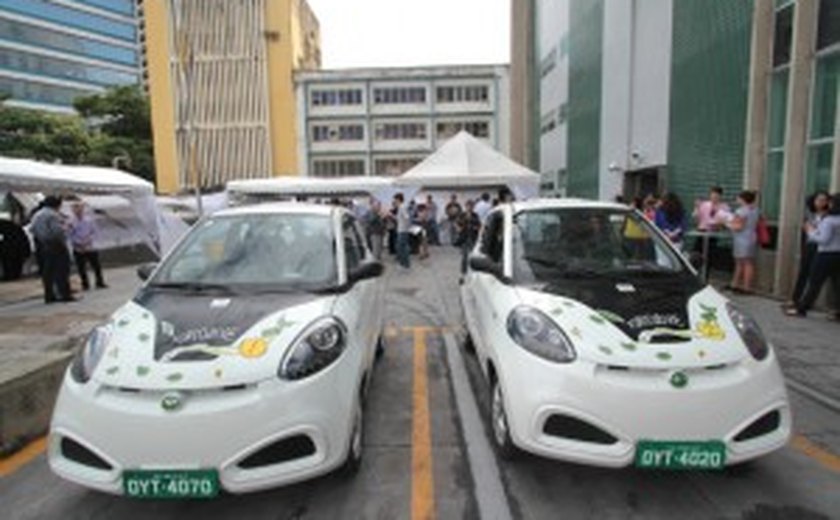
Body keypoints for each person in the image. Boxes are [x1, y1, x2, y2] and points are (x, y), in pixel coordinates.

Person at [786, 193, 840, 319]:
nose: (828, 204)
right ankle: (838, 311)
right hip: (838, 254)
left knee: (815, 283)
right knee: (837, 284)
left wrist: (811, 231)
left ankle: (802, 308)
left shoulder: (829, 220)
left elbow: (823, 239)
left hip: (825, 254)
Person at [29, 195, 74, 303]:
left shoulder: (37, 214)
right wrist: (66, 228)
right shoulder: (53, 215)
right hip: (55, 244)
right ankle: (65, 294)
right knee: (62, 270)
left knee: (48, 272)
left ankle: (49, 295)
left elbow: (32, 228)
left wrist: (42, 237)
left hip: (43, 245)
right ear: (56, 205)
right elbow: (57, 231)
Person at [725, 190, 760, 294]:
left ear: (743, 199)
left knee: (743, 263)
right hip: (751, 237)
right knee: (745, 262)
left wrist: (726, 223)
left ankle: (744, 287)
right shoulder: (755, 210)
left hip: (742, 239)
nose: (737, 199)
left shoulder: (741, 211)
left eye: (739, 198)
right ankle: (737, 284)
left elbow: (738, 227)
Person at [692, 186, 731, 277]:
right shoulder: (704, 204)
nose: (714, 198)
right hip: (702, 231)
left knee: (709, 255)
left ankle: (706, 275)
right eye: (712, 196)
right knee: (696, 253)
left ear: (720, 196)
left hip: (713, 232)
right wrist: (697, 208)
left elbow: (726, 221)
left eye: (716, 196)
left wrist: (719, 224)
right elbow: (696, 218)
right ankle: (694, 273)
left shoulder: (724, 207)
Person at [69, 201, 107, 290]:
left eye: (79, 208)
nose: (78, 210)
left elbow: (95, 232)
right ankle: (85, 284)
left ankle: (99, 281)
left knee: (96, 265)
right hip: (78, 246)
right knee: (81, 267)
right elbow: (70, 235)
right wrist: (78, 243)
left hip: (90, 245)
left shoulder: (89, 220)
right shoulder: (71, 221)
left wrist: (88, 240)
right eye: (75, 208)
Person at [455, 199, 482, 274]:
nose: (469, 208)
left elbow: (479, 226)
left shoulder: (475, 215)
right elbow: (457, 224)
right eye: (468, 206)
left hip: (473, 237)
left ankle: (473, 271)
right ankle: (463, 272)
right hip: (464, 238)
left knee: (473, 255)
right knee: (464, 256)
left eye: (471, 206)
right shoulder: (462, 215)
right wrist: (459, 228)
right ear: (465, 207)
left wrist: (475, 228)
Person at [394, 193, 411, 269]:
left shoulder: (402, 207)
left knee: (401, 248)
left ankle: (403, 264)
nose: (394, 201)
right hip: (402, 230)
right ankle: (405, 264)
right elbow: (400, 219)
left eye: (395, 199)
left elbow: (407, 218)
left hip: (402, 231)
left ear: (398, 199)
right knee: (403, 247)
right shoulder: (401, 207)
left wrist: (406, 227)